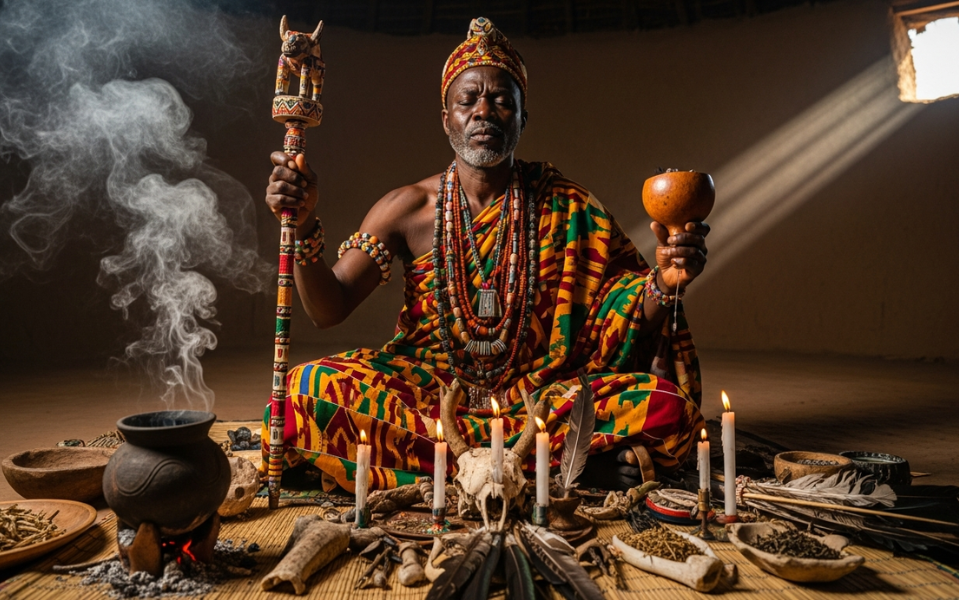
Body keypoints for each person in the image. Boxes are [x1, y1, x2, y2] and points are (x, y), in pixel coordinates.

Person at [260, 17, 709, 494]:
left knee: (666, 406)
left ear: (521, 118)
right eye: (468, 99)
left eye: (501, 101)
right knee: (299, 394)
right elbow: (329, 308)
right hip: (431, 396)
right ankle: (554, 468)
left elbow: (624, 309)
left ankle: (464, 468)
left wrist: (665, 282)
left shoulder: (569, 205)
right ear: (446, 117)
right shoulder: (407, 208)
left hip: (540, 400)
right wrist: (305, 223)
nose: (484, 113)